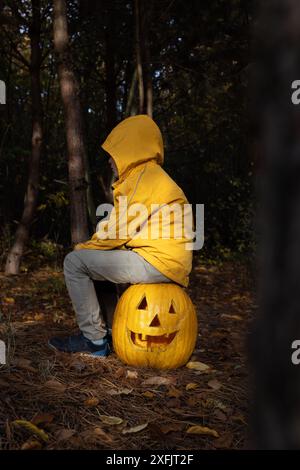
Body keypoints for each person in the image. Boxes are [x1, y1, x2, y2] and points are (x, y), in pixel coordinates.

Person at [49, 114, 193, 356]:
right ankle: (113, 334)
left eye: (114, 153)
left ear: (131, 150)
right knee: (97, 260)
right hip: (164, 260)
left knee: (75, 263)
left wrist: (83, 248)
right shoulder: (147, 177)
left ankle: (93, 341)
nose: (109, 161)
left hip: (158, 262)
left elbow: (118, 231)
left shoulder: (144, 179)